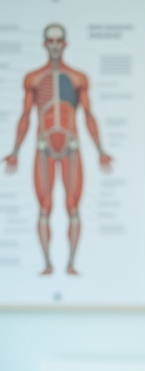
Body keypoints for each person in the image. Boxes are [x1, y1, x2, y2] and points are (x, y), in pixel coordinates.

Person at [3, 23, 113, 276]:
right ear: (44, 44)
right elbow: (25, 116)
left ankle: (72, 263)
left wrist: (100, 149)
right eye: (50, 41)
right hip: (43, 147)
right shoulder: (33, 78)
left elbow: (88, 114)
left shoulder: (78, 78)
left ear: (64, 44)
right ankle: (47, 264)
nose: (54, 45)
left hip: (71, 147)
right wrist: (15, 150)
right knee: (44, 206)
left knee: (73, 205)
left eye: (58, 41)